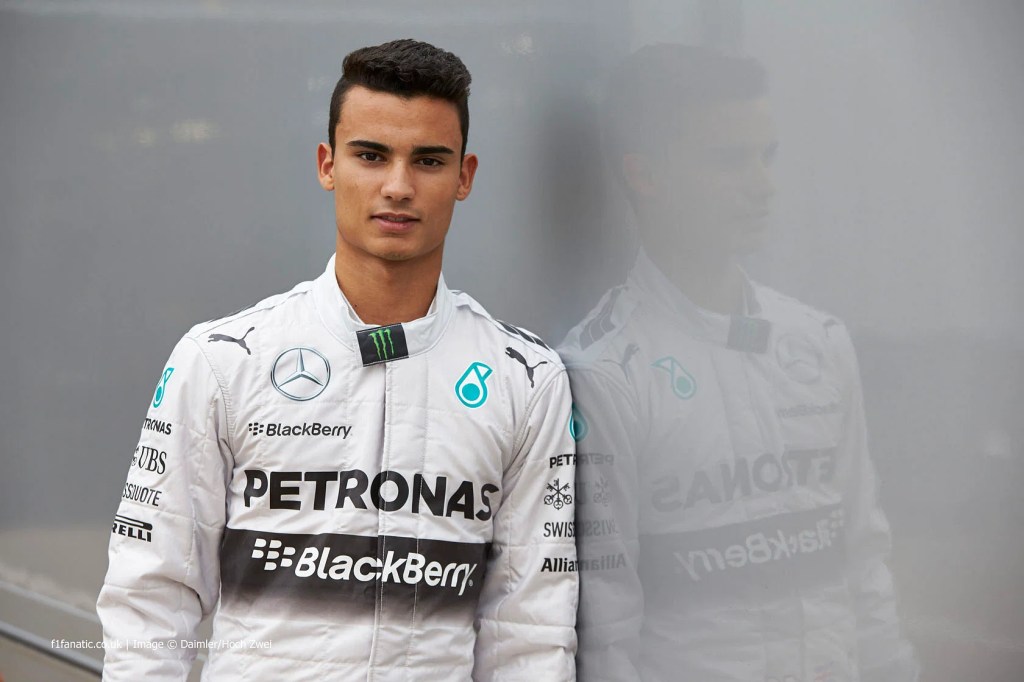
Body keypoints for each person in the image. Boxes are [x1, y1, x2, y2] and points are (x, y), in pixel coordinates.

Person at [97, 39, 578, 681]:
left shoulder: (528, 379)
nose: (398, 186)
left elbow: (531, 630)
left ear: (464, 177)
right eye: (371, 156)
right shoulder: (221, 361)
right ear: (328, 164)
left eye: (428, 160)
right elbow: (149, 600)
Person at [561, 45, 918, 681]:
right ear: (646, 176)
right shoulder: (600, 373)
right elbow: (604, 627)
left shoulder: (819, 342)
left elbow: (864, 555)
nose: (763, 184)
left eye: (767, 155)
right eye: (729, 160)